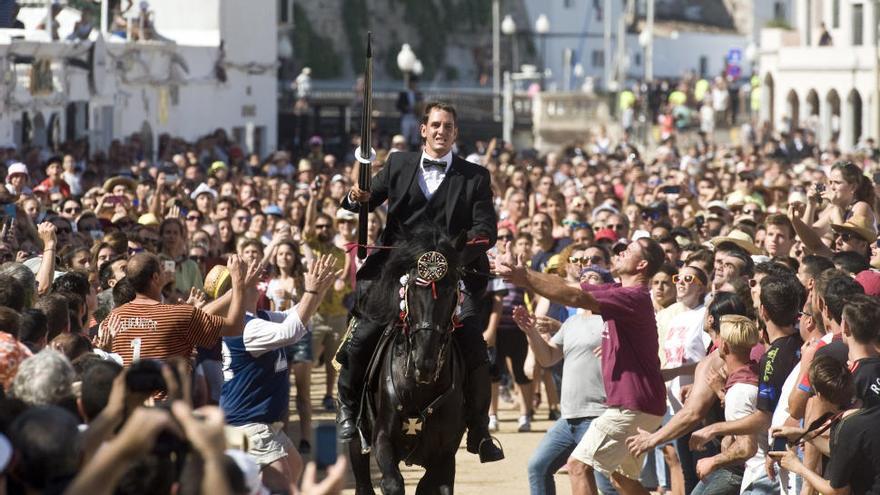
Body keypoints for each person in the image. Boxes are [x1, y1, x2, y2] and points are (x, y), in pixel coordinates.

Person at [336, 101, 504, 462]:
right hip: (396, 271)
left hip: (451, 274)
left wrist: (451, 259)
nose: (442, 131)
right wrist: (356, 195)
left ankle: (479, 430)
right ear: (423, 130)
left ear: (455, 133)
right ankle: (348, 410)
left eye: (448, 126)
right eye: (436, 125)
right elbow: (361, 201)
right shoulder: (398, 163)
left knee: (475, 345)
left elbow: (485, 230)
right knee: (362, 335)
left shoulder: (475, 176)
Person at [497, 236, 667, 495]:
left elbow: (574, 296)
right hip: (641, 404)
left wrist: (526, 278)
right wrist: (525, 273)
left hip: (632, 405)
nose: (619, 253)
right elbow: (567, 284)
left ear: (642, 264)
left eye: (628, 250)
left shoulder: (631, 296)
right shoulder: (620, 293)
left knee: (577, 465)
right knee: (622, 480)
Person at [220, 254, 338, 493]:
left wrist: (318, 289)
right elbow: (292, 331)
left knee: (294, 467)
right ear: (235, 290)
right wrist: (311, 292)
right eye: (250, 281)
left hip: (261, 423)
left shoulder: (258, 317)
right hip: (249, 424)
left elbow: (294, 315)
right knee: (283, 485)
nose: (258, 284)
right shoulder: (246, 327)